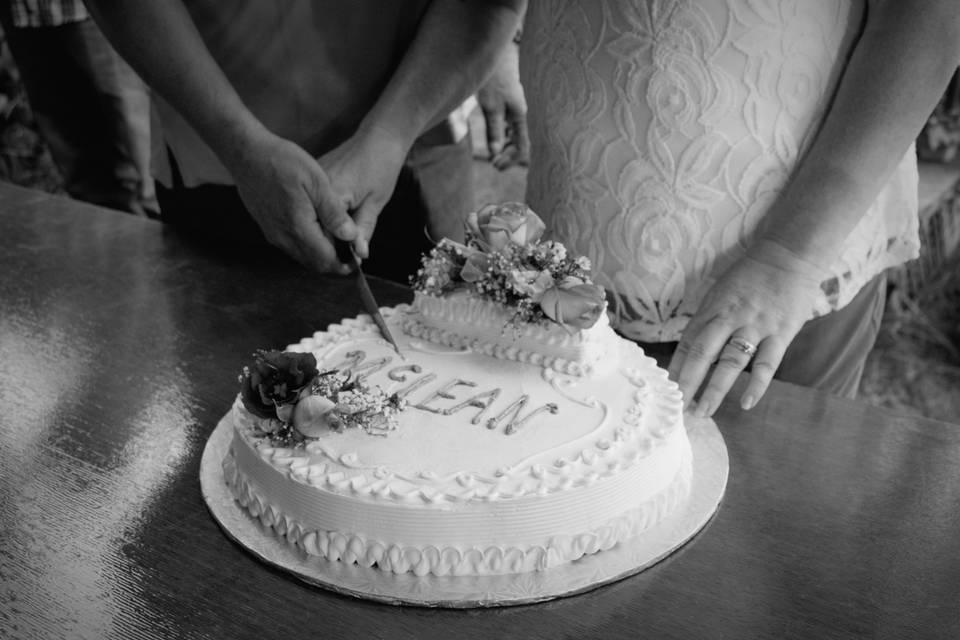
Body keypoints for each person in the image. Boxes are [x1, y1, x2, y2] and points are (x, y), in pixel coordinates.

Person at [272, 0, 959, 414]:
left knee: (763, 557)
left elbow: (927, 15)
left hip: (788, 257)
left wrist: (789, 256)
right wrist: (389, 135)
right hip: (575, 249)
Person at [84, 0, 526, 283]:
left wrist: (388, 136)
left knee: (443, 382)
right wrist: (240, 146)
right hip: (214, 154)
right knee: (233, 407)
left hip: (418, 136)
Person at [0, 0, 156, 216]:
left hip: (99, 10)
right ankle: (114, 237)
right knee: (81, 167)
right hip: (22, 13)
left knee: (140, 140)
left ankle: (166, 228)